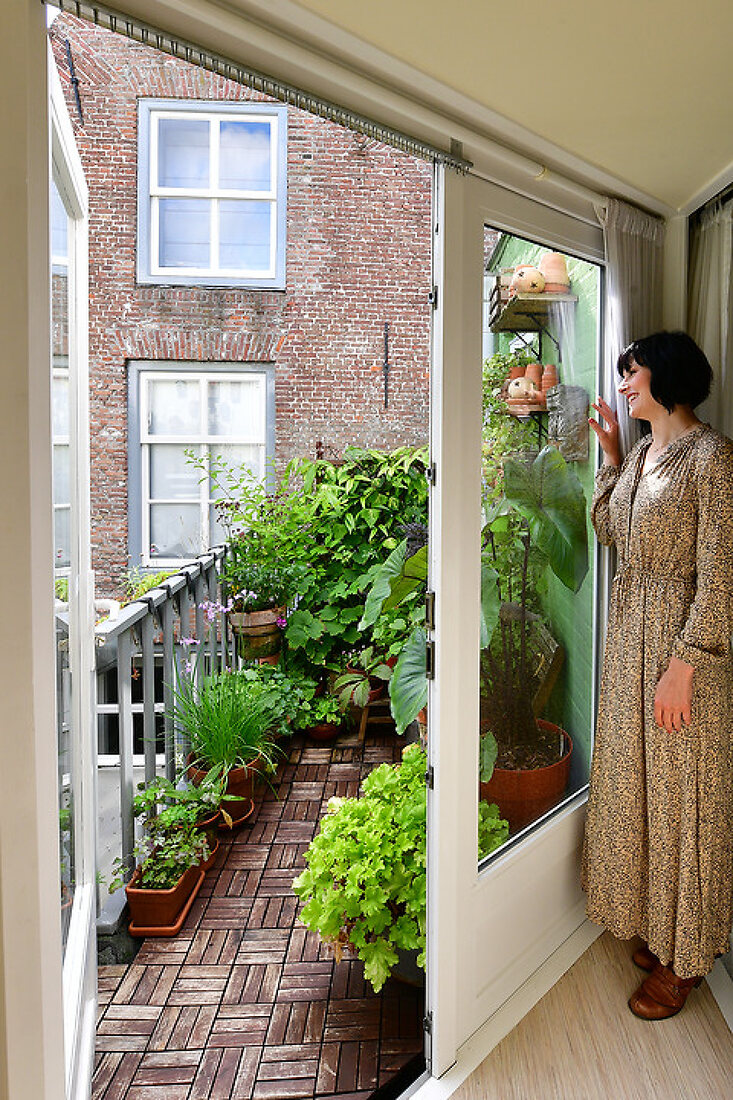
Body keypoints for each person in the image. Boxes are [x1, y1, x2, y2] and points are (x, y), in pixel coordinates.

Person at [582, 330, 733, 1020]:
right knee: (640, 790)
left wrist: (686, 665)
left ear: (663, 377)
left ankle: (687, 957)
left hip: (680, 651)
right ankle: (659, 925)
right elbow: (610, 532)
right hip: (629, 640)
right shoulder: (644, 452)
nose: (622, 385)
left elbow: (721, 576)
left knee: (685, 803)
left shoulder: (712, 458)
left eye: (630, 372)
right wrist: (611, 459)